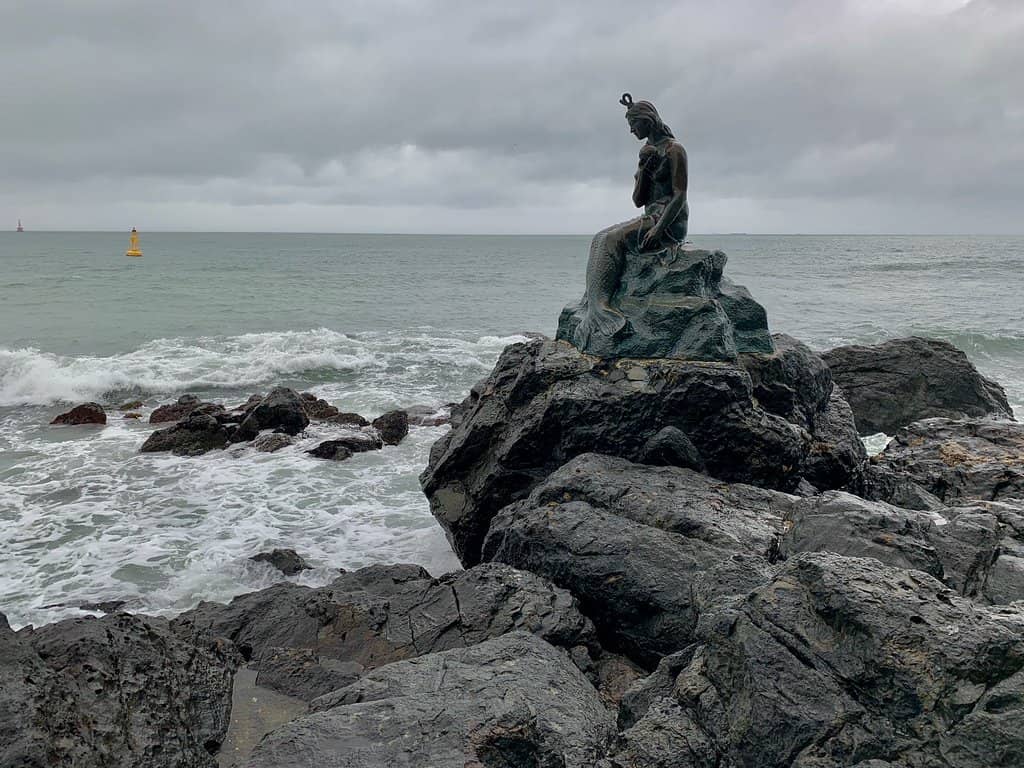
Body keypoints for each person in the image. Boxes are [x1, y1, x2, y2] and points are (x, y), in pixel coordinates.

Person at [578, 94, 689, 342]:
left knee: (612, 239)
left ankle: (602, 307)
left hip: (670, 221)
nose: (630, 131)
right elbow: (638, 201)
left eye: (633, 125)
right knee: (599, 238)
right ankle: (595, 305)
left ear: (647, 121)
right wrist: (643, 169)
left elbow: (680, 196)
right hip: (651, 214)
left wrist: (659, 230)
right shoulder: (647, 152)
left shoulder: (675, 150)